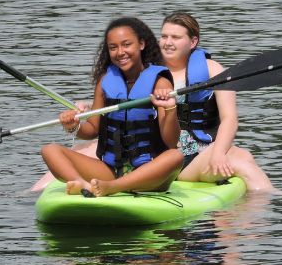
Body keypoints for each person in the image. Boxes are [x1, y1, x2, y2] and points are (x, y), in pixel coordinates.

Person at [40, 17, 183, 197]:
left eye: (126, 45)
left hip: (149, 173)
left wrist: (170, 108)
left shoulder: (159, 82)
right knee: (49, 150)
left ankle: (113, 187)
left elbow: (171, 142)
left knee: (175, 156)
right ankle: (84, 185)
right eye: (113, 47)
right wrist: (73, 126)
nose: (120, 52)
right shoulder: (105, 82)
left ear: (141, 44)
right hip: (110, 170)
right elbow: (92, 129)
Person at [157, 12, 273, 193]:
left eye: (176, 37)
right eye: (164, 36)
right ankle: (277, 201)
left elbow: (229, 119)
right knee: (242, 164)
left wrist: (218, 154)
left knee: (245, 156)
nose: (167, 42)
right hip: (175, 159)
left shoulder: (214, 71)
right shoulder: (151, 73)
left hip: (205, 149)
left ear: (193, 42)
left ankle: (256, 203)